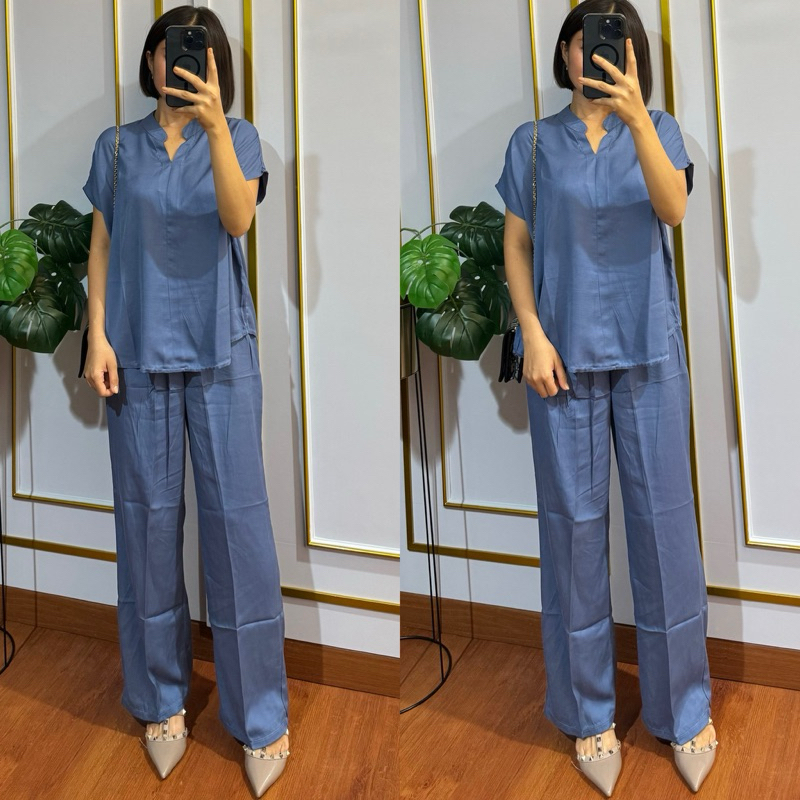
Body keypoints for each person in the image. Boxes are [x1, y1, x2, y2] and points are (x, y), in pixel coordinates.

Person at [496, 1, 718, 796]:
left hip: (649, 351)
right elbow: (516, 246)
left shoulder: (660, 129)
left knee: (666, 533)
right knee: (573, 536)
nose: (593, 52)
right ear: (565, 51)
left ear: (632, 54)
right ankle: (588, 711)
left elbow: (674, 208)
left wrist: (636, 116)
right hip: (560, 361)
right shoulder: (531, 143)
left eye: (611, 41)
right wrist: (531, 332)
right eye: (582, 38)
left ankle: (683, 709)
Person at [82, 6, 289, 796]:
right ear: (151, 61)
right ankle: (160, 701)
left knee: (239, 531)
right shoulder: (116, 145)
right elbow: (103, 245)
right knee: (146, 527)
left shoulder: (237, 138)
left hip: (221, 350)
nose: (179, 62)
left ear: (214, 65)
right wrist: (98, 336)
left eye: (194, 53)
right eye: (168, 50)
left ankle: (260, 715)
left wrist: (212, 127)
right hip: (135, 352)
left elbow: (239, 220)